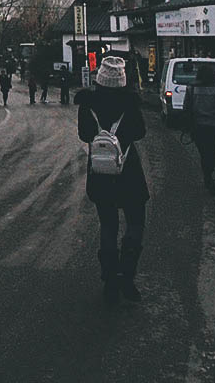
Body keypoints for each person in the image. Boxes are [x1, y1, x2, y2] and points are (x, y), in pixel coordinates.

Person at [77, 56, 149, 304]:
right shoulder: (129, 103)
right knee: (135, 221)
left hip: (99, 172)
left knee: (108, 225)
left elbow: (84, 133)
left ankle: (109, 279)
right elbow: (140, 132)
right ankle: (126, 275)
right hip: (128, 170)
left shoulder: (88, 103)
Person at [182, 64, 215, 195]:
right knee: (211, 151)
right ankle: (209, 174)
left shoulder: (191, 89)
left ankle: (207, 175)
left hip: (198, 126)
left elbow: (186, 108)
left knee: (203, 152)